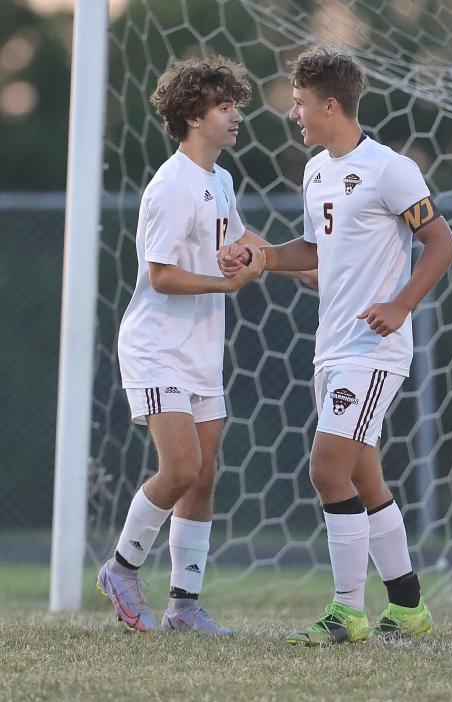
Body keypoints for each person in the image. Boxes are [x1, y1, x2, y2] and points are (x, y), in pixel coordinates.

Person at [219, 46, 452, 645]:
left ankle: (346, 612)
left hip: (373, 351)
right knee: (364, 478)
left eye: (300, 104)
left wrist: (400, 305)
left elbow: (441, 245)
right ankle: (408, 607)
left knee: (326, 469)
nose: (294, 114)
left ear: (331, 104)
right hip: (332, 348)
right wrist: (264, 258)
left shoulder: (390, 169)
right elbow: (316, 253)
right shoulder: (315, 170)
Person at [96, 56, 266, 634]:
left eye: (234, 105)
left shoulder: (219, 179)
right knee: (181, 467)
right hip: (156, 347)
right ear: (195, 116)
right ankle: (121, 569)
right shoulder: (170, 187)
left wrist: (300, 265)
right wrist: (226, 281)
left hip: (200, 349)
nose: (235, 115)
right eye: (225, 107)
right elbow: (162, 275)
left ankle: (184, 605)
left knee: (204, 473)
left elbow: (240, 239)